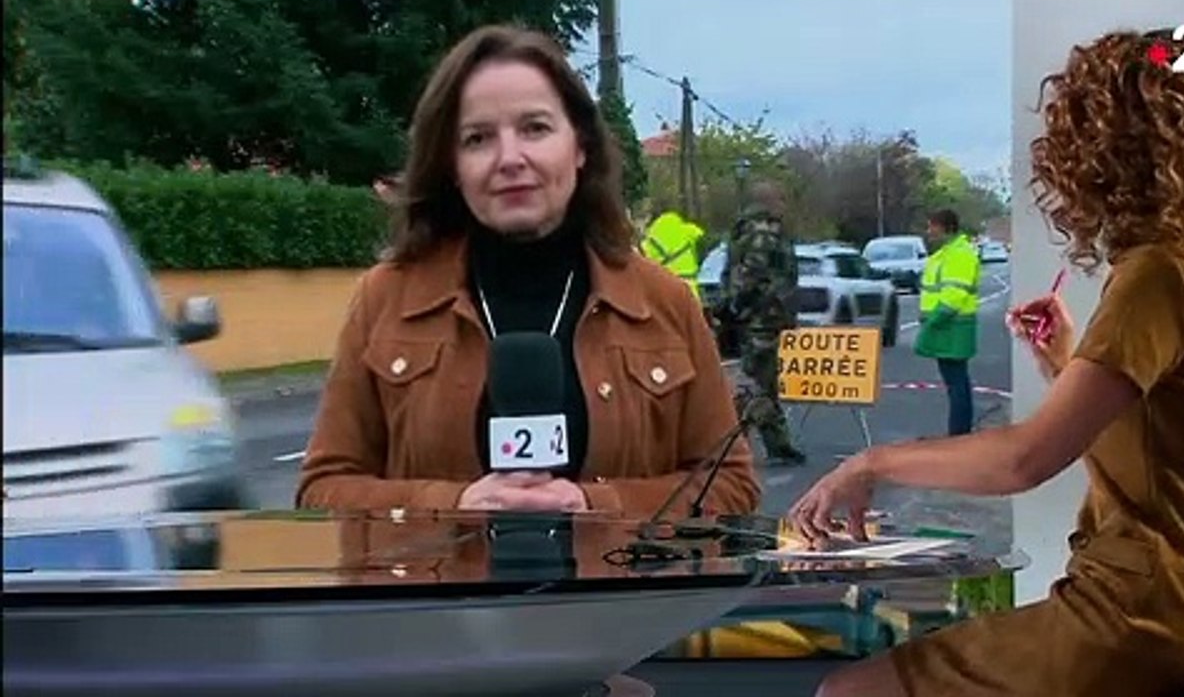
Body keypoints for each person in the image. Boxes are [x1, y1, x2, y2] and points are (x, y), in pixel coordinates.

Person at [791, 27, 1184, 696]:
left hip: (1144, 622)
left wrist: (870, 462)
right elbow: (1180, 446)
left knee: (849, 692)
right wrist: (1065, 361)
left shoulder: (1161, 275)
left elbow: (1024, 459)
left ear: (1106, 151)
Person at [297, 25, 760, 520]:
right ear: (452, 164)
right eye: (478, 138)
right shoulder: (385, 298)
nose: (509, 158)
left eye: (535, 128)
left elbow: (731, 486)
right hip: (438, 597)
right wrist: (451, 505)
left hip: (619, 597)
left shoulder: (664, 302)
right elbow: (322, 491)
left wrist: (597, 505)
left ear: (580, 146)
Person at [723, 181, 806, 467]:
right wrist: (738, 306)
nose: (785, 204)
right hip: (762, 318)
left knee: (763, 383)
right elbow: (753, 273)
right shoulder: (763, 233)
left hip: (765, 316)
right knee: (757, 385)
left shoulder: (759, 229)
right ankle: (730, 443)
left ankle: (771, 444)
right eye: (780, 198)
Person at [915, 208, 981, 435]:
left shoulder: (959, 254)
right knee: (955, 382)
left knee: (957, 382)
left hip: (952, 326)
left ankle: (959, 434)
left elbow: (955, 293)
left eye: (932, 226)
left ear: (945, 227)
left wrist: (934, 320)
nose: (928, 231)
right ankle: (959, 432)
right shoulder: (948, 253)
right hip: (948, 326)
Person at [641, 207, 705, 302]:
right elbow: (700, 237)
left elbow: (643, 259)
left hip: (670, 292)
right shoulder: (684, 229)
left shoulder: (657, 233)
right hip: (692, 290)